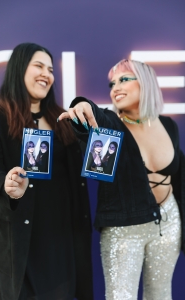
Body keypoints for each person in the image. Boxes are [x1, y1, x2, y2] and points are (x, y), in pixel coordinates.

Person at [58, 59, 185, 300]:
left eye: (124, 79)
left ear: (146, 83)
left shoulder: (168, 125)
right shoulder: (111, 124)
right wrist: (83, 106)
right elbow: (93, 115)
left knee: (161, 294)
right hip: (124, 229)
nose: (115, 87)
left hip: (169, 222)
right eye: (112, 83)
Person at [0, 43, 93, 300]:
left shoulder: (63, 119)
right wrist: (6, 183)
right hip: (19, 238)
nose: (47, 73)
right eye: (39, 66)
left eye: (51, 69)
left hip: (61, 239)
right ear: (19, 69)